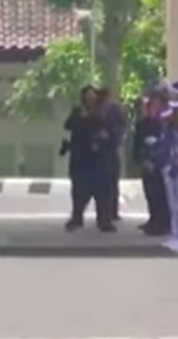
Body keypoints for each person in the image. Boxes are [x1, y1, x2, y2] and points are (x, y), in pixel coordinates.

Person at [62, 86, 108, 232]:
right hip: (80, 156)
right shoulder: (78, 110)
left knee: (100, 191)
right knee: (78, 191)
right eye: (87, 96)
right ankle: (77, 218)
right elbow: (68, 125)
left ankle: (103, 220)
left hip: (96, 157)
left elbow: (106, 126)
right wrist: (80, 118)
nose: (90, 99)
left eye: (92, 96)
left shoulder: (101, 111)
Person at [133, 95, 171, 236]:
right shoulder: (142, 124)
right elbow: (137, 144)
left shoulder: (164, 124)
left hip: (159, 163)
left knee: (161, 195)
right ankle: (153, 219)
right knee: (150, 194)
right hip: (147, 162)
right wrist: (140, 159)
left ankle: (162, 222)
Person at [95, 88, 126, 224]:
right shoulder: (95, 110)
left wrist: (113, 136)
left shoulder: (114, 110)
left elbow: (121, 126)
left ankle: (112, 212)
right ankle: (103, 213)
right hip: (98, 151)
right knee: (102, 184)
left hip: (111, 149)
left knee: (111, 183)